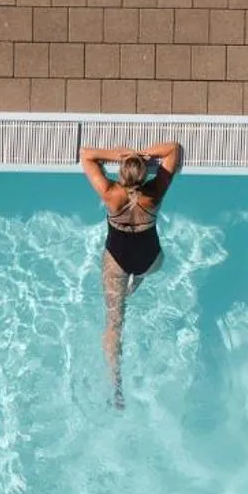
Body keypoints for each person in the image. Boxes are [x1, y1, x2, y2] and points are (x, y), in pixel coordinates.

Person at [78, 139, 184, 409]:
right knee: (147, 269)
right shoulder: (154, 194)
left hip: (118, 260)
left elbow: (86, 156)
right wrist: (143, 155)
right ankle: (138, 280)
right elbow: (174, 149)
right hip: (150, 260)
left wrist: (119, 154)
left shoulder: (110, 194)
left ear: (121, 174)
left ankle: (116, 385)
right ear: (144, 174)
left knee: (114, 324)